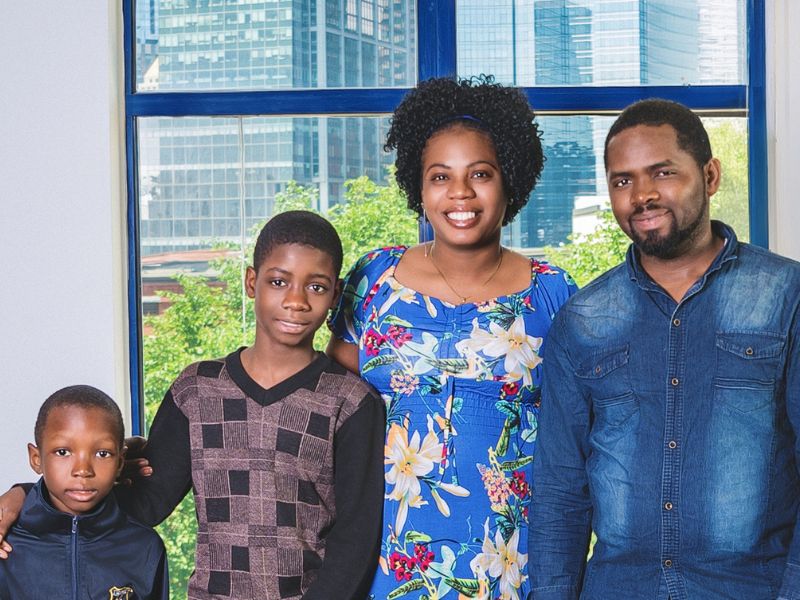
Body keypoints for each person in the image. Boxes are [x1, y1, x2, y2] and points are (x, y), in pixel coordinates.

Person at [0, 211, 385, 599]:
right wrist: (25, 497)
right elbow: (143, 504)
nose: (296, 301)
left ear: (335, 295)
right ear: (252, 283)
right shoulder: (196, 391)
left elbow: (355, 540)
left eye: (316, 288)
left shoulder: (350, 404)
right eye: (279, 281)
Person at [528, 99, 800, 599]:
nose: (643, 195)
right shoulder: (581, 320)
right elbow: (559, 494)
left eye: (663, 172)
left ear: (711, 175)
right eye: (622, 180)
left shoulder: (786, 295)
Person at [327, 76, 577, 600]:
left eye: (480, 174)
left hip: (511, 558)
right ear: (417, 187)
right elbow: (325, 396)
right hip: (389, 558)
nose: (460, 193)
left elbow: (580, 429)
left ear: (511, 181)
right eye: (440, 176)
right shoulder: (374, 279)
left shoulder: (552, 292)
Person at [0, 385, 168, 599]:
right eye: (63, 452)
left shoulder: (144, 547)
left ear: (120, 463)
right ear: (36, 459)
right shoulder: (7, 543)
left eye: (102, 453)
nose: (83, 470)